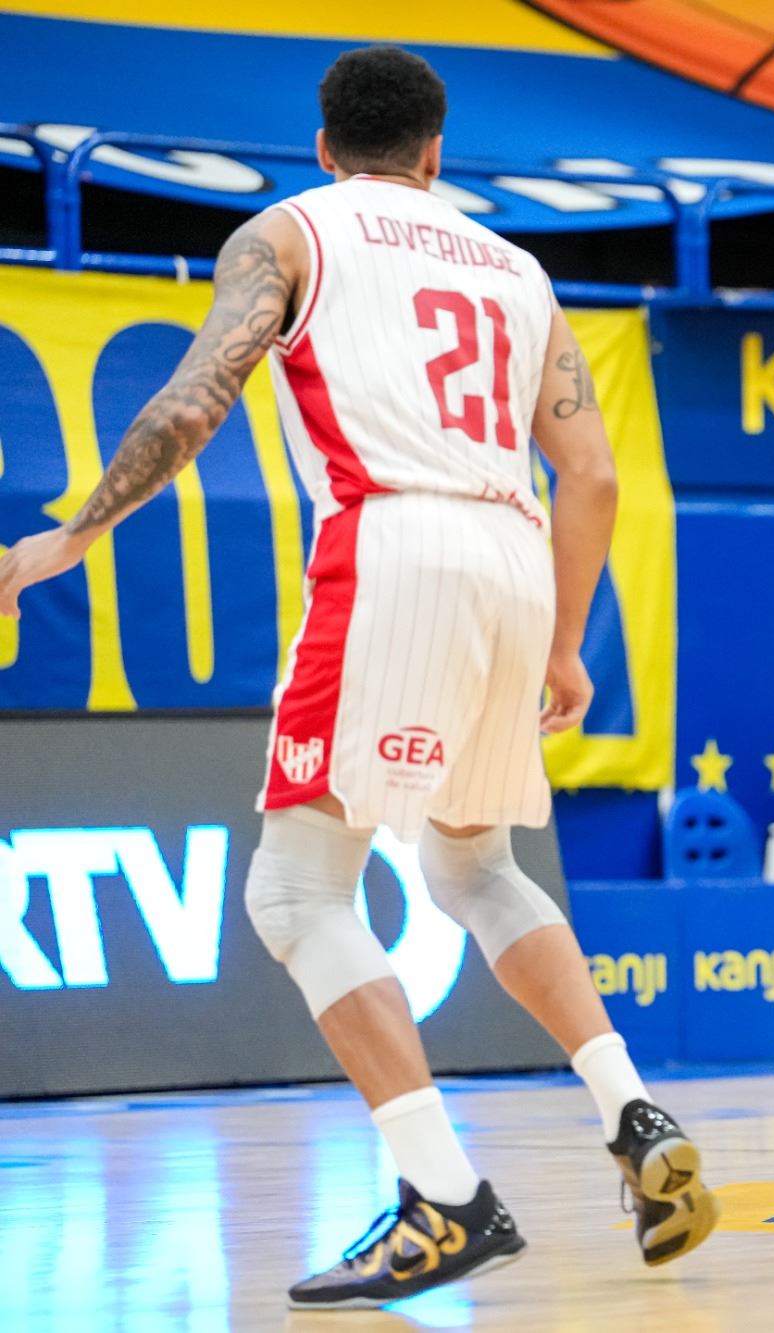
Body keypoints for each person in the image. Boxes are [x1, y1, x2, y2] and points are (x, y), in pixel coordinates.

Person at [0, 46, 716, 1307]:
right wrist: (564, 642)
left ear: (323, 146)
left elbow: (191, 405)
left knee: (294, 889)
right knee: (473, 867)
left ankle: (445, 1197)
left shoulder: (288, 231)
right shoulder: (518, 268)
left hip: (391, 546)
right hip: (512, 555)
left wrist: (72, 535)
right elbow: (594, 475)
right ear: (436, 153)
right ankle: (635, 1112)